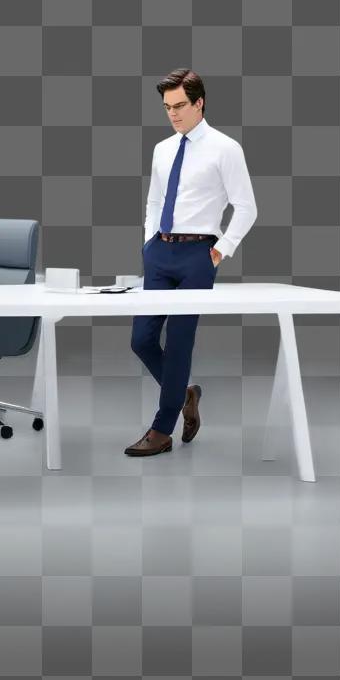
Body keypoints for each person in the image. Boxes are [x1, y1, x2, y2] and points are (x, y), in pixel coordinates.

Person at [126, 68, 257, 457]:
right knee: (142, 340)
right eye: (167, 107)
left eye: (180, 105)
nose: (173, 114)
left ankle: (161, 430)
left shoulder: (225, 148)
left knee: (180, 345)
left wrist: (220, 249)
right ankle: (185, 394)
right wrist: (149, 241)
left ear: (200, 102)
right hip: (161, 252)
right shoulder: (163, 149)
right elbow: (154, 200)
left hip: (198, 255)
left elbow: (246, 207)